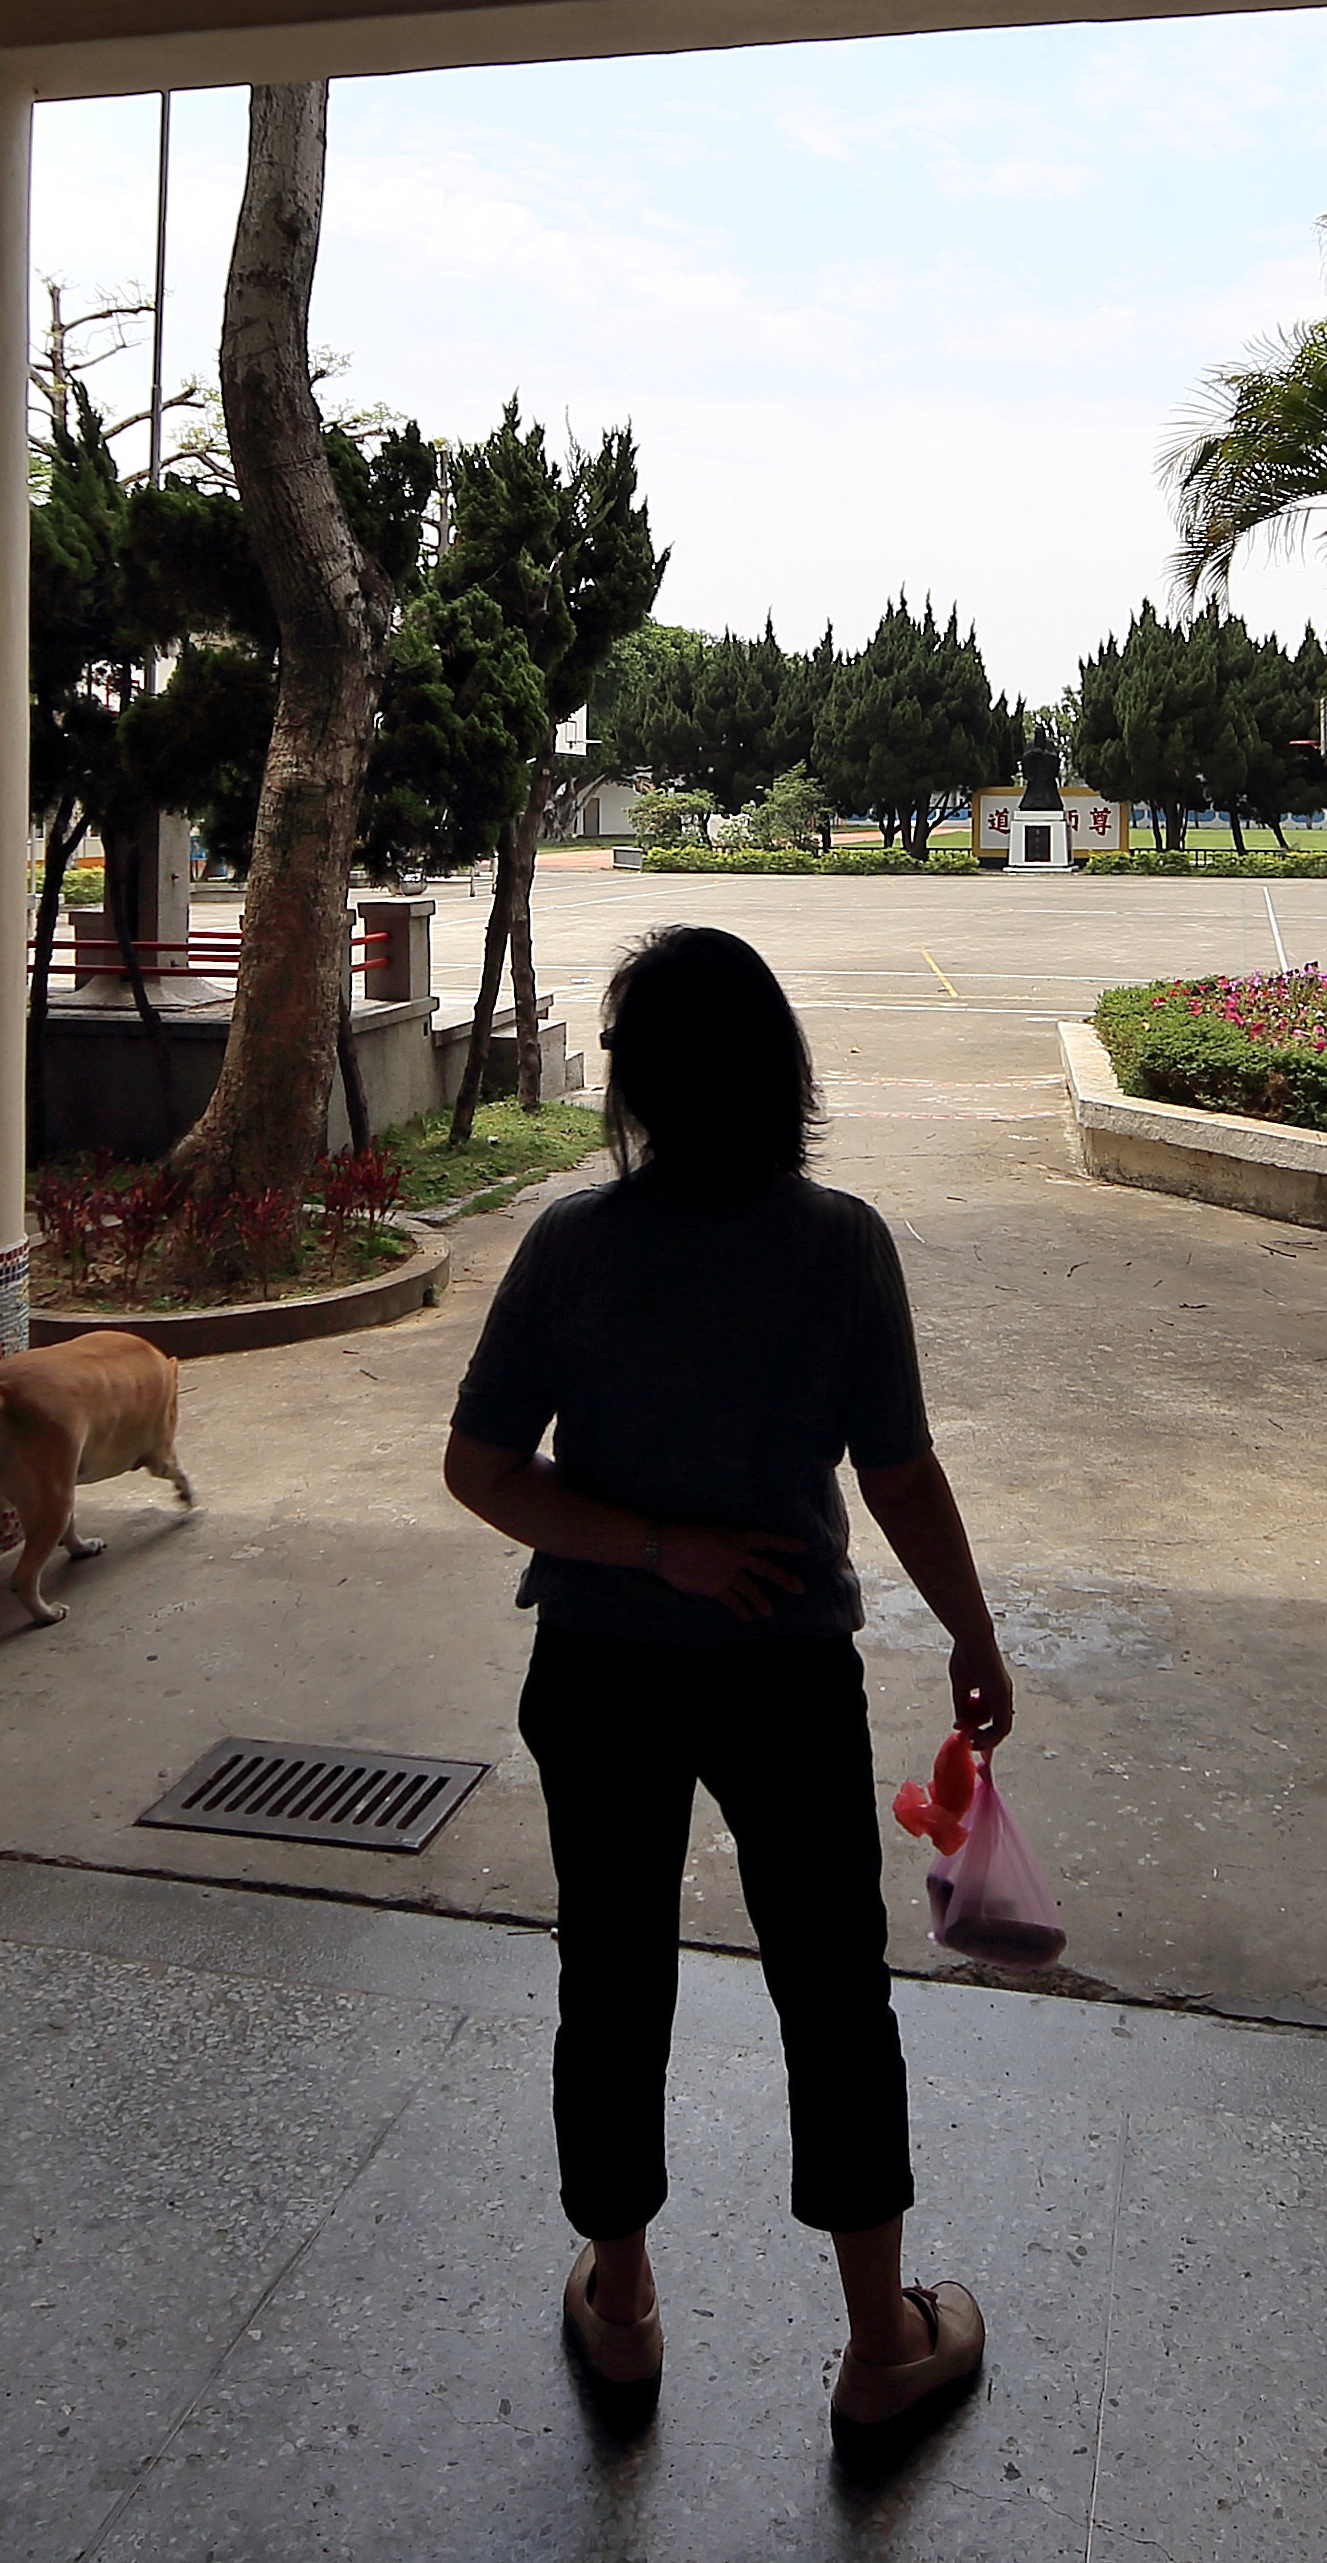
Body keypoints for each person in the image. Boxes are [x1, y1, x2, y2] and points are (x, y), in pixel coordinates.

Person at [438, 923, 1012, 2463]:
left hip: (601, 1673)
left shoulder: (572, 1247)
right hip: (787, 1676)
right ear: (780, 1075)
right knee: (833, 1990)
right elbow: (899, 1473)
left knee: (612, 1974)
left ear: (635, 1086)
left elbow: (482, 1467)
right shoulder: (841, 1245)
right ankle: (881, 2345)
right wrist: (971, 1633)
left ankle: (623, 2307)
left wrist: (649, 1548)